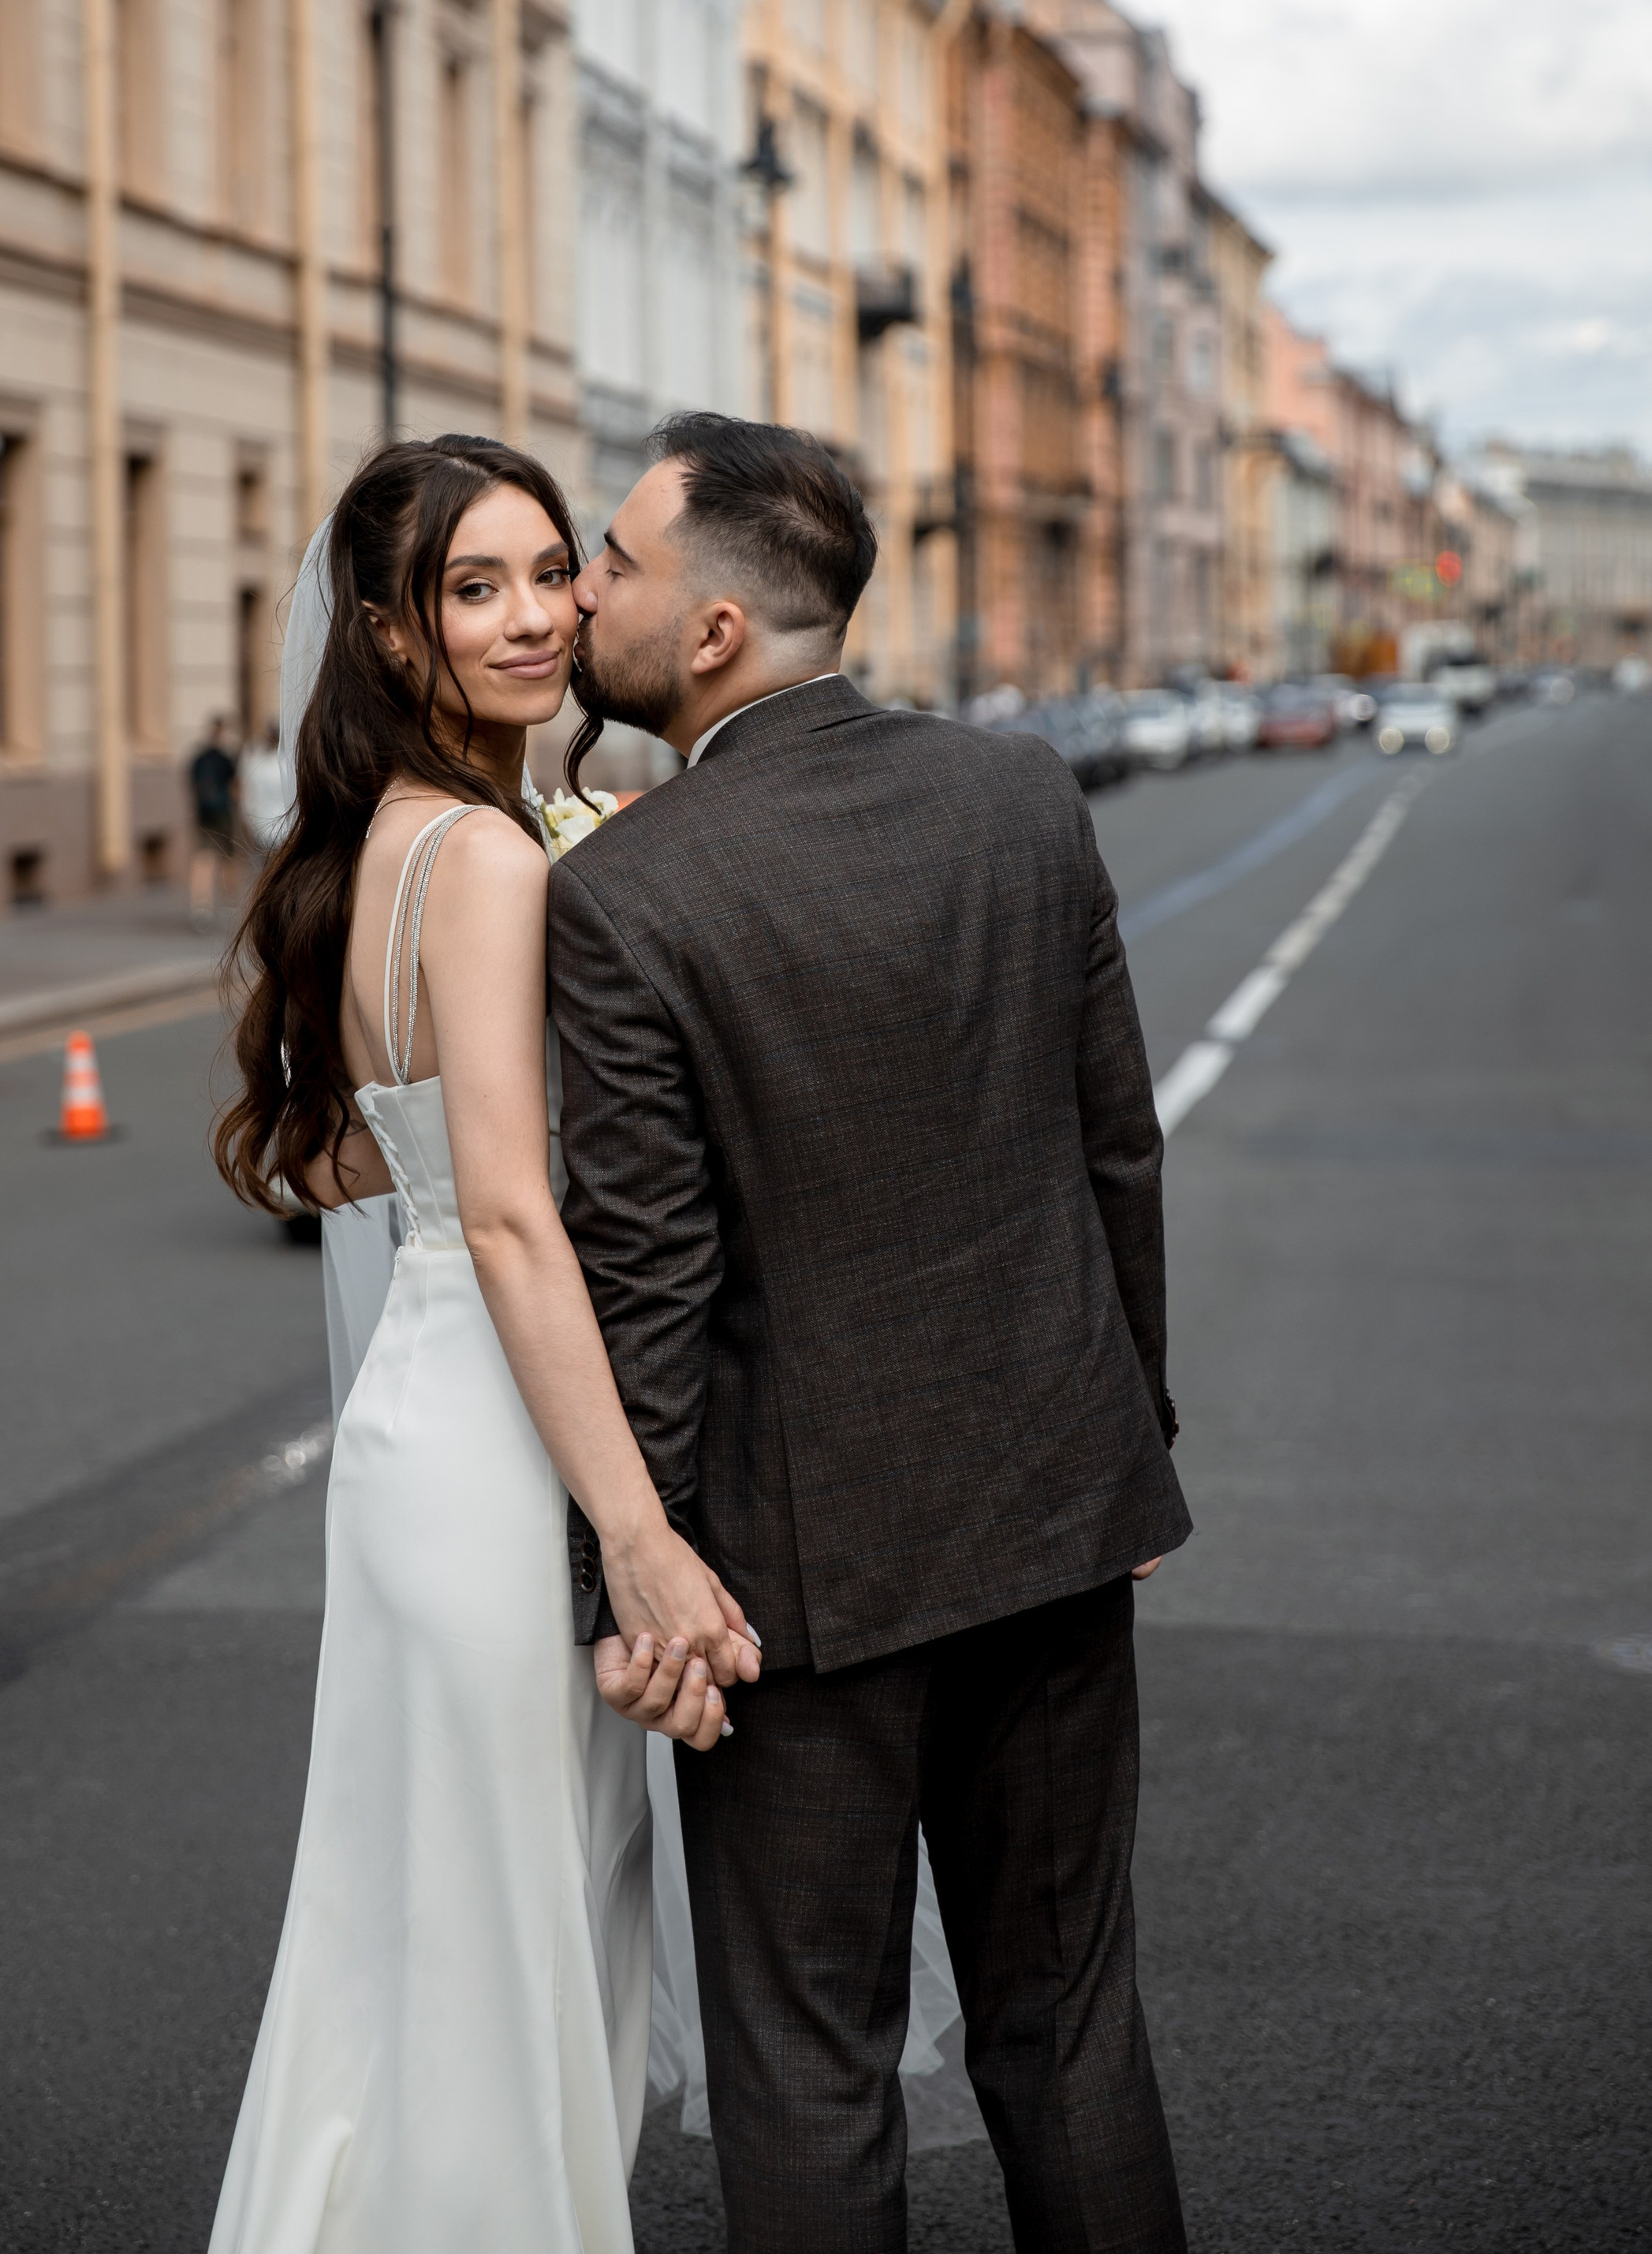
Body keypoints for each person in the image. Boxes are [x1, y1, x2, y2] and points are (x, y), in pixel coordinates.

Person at [553, 411, 1192, 2254]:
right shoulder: (1017, 797)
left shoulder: (623, 897)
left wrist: (636, 1579)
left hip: (792, 1586)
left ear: (711, 635)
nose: (583, 590)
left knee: (808, 2056)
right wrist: (1128, 1453)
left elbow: (649, 1282)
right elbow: (1111, 1151)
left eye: (612, 558)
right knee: (1067, 2024)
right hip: (1059, 1517)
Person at [207, 436, 759, 2254]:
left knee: (415, 1926)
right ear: (386, 631)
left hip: (411, 1430)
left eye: (546, 571)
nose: (531, 616)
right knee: (516, 1930)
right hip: (506, 1446)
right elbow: (516, 1216)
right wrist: (640, 1534)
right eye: (471, 587)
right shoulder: (496, 863)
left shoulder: (386, 844)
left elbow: (383, 1150)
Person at [187, 716, 240, 925]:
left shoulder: (198, 759)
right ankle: (230, 902)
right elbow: (236, 787)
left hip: (203, 814)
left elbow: (192, 786)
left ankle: (200, 905)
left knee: (202, 858)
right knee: (229, 857)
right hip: (223, 813)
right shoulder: (226, 758)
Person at [235, 715, 290, 853]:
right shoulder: (287, 762)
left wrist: (246, 817)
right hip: (282, 825)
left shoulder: (256, 761)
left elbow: (247, 793)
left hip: (262, 825)